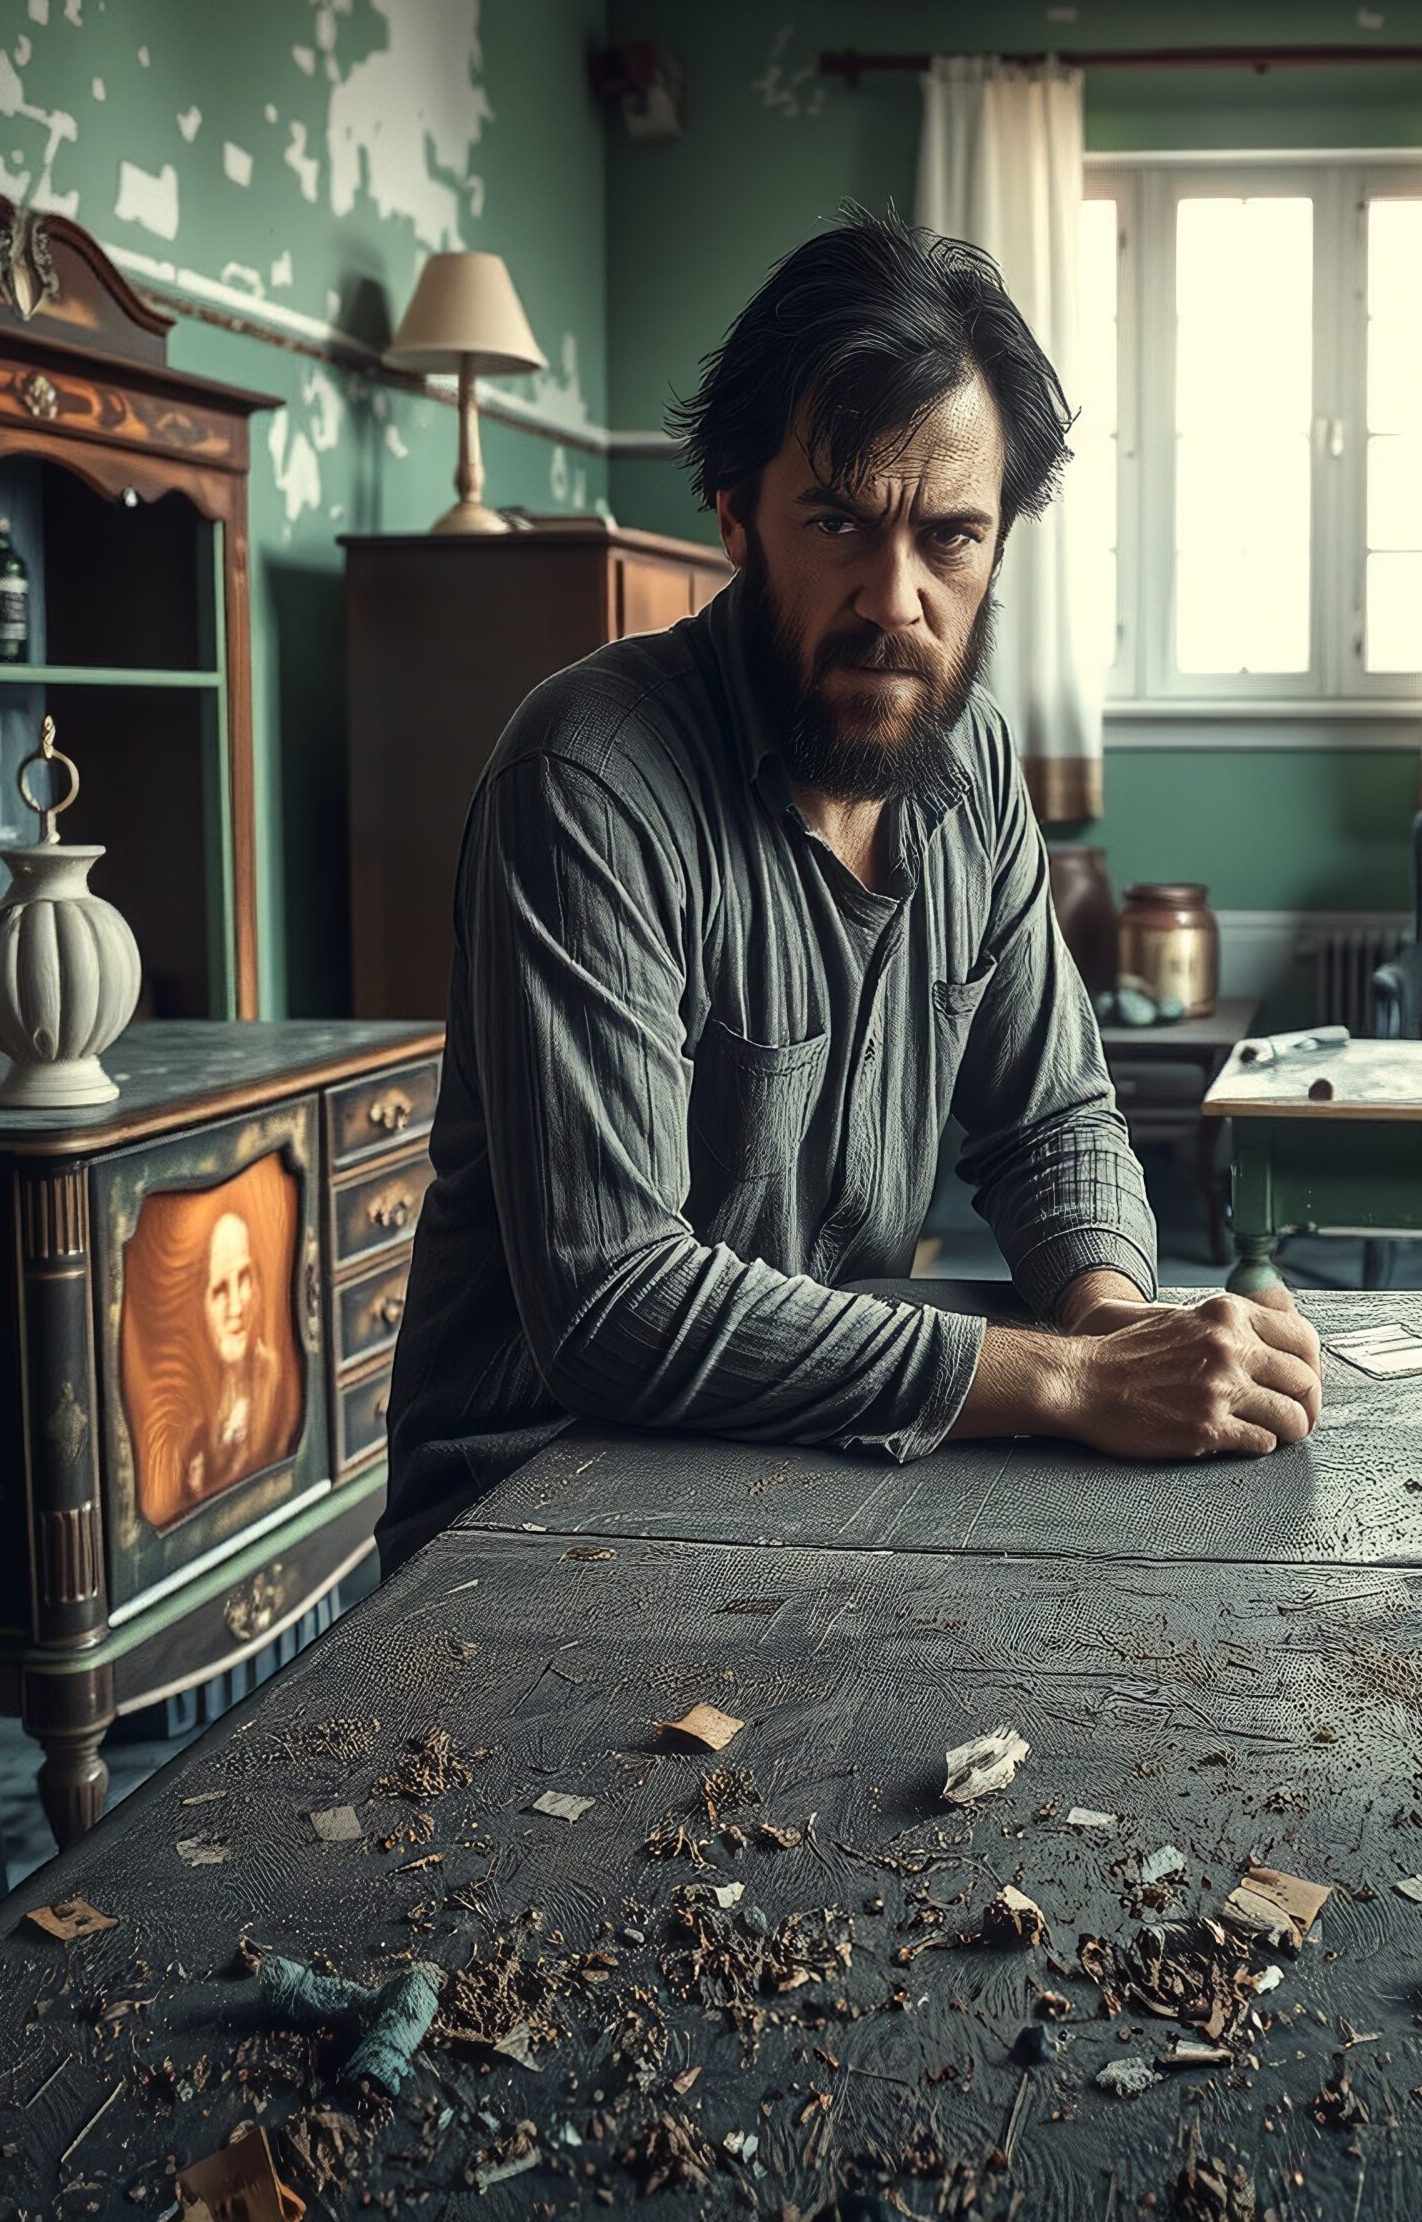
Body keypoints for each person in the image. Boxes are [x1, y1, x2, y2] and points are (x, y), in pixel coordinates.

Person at [379, 213, 1322, 1566]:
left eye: (951, 538)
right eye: (838, 520)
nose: (897, 599)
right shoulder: (585, 777)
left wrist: (1113, 1319)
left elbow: (1050, 1117)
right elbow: (614, 1302)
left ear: (998, 547)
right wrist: (1060, 1382)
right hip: (530, 1509)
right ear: (736, 513)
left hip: (797, 1465)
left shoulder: (978, 766)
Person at [121, 1165, 303, 1528]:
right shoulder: (185, 1409)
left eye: (245, 1278)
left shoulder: (275, 1378)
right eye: (220, 1290)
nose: (236, 1306)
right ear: (199, 1303)